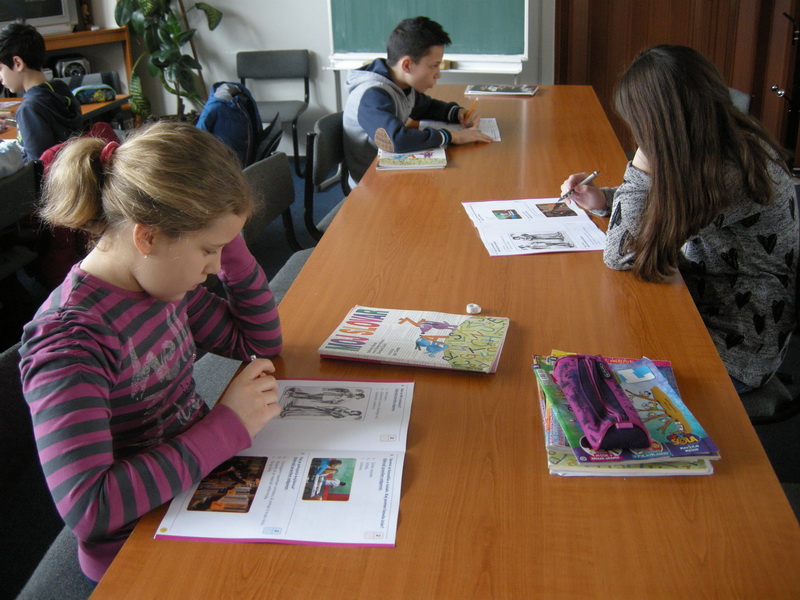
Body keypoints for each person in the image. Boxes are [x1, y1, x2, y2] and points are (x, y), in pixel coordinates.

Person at [18, 122, 283, 589]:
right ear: (148, 238)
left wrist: (229, 245)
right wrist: (228, 427)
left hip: (202, 485)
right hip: (139, 549)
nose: (214, 269)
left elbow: (258, 344)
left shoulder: (162, 282)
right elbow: (90, 508)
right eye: (208, 251)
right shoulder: (70, 341)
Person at [561, 45, 798, 393]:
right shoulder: (722, 141)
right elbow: (669, 204)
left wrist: (643, 158)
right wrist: (604, 200)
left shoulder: (732, 173)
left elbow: (621, 253)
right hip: (699, 303)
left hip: (734, 348)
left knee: (586, 353)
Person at [343, 16, 493, 187]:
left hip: (392, 173)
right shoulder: (372, 94)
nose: (438, 74)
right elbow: (395, 140)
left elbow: (426, 107)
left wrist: (457, 113)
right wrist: (452, 136)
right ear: (407, 65)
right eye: (434, 66)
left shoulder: (401, 84)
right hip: (371, 187)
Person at [0, 22, 82, 161]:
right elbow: (55, 129)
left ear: (18, 63)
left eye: (0, 69)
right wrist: (19, 122)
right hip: (69, 168)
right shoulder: (60, 89)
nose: (0, 78)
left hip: (48, 174)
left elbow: (36, 165)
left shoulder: (29, 109)